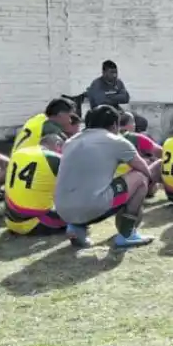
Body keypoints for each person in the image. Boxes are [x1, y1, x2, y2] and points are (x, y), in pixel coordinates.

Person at [54, 105, 154, 248]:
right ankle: (127, 234)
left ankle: (76, 227)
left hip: (62, 210)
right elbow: (145, 171)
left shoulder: (70, 142)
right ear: (114, 125)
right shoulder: (116, 141)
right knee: (140, 178)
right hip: (91, 207)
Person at [4, 134, 66, 235]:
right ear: (58, 145)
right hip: (36, 223)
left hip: (11, 221)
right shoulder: (52, 157)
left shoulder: (18, 153)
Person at [117, 112, 162, 197]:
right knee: (160, 163)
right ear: (130, 123)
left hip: (112, 183)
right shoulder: (136, 138)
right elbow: (161, 152)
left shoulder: (110, 137)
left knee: (147, 161)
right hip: (129, 180)